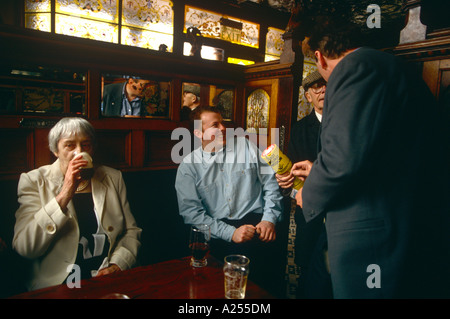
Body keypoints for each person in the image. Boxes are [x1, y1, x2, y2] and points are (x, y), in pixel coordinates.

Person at [291, 16, 450, 298]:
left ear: (320, 57)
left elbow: (342, 160)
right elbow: (371, 151)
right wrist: (318, 170)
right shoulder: (389, 66)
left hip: (372, 237)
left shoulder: (354, 68)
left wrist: (309, 193)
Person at [13, 117, 142, 291]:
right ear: (56, 150)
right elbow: (25, 247)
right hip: (58, 285)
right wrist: (66, 191)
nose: (79, 152)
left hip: (105, 279)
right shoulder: (34, 181)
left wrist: (118, 264)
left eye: (85, 144)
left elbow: (131, 231)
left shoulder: (113, 177)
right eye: (69, 145)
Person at [175, 106, 285, 297]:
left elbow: (271, 184)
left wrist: (269, 219)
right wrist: (231, 233)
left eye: (223, 123)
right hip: (217, 237)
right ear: (199, 133)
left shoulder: (247, 147)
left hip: (259, 228)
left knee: (267, 291)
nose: (223, 128)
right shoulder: (188, 166)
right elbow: (192, 214)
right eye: (215, 125)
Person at [276, 70, 332, 298]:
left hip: (339, 208)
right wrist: (286, 181)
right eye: (315, 87)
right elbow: (293, 172)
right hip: (308, 210)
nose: (321, 90)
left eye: (325, 84)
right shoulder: (299, 129)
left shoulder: (345, 122)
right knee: (307, 265)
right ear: (308, 97)